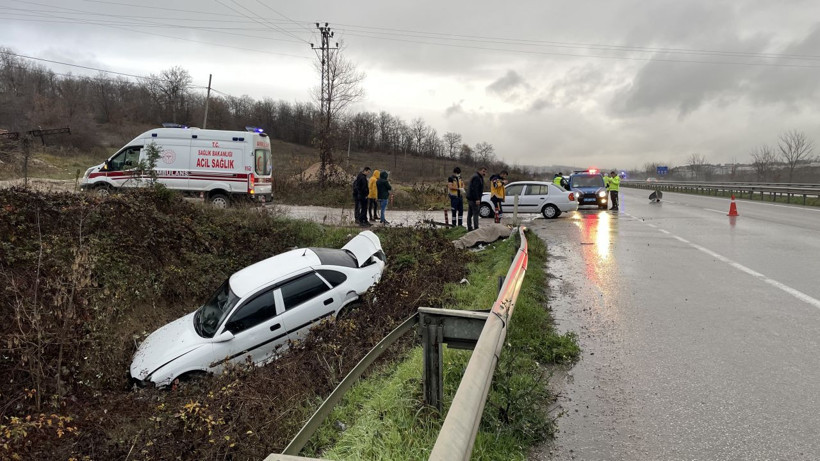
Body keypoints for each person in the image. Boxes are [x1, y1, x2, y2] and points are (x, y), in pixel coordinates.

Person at [465, 166, 487, 231]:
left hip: (471, 198)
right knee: (475, 213)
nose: (484, 173)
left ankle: (469, 227)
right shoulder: (477, 177)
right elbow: (475, 189)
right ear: (479, 170)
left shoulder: (477, 177)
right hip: (474, 199)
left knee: (470, 213)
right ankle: (476, 228)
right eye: (483, 171)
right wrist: (477, 199)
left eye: (485, 172)